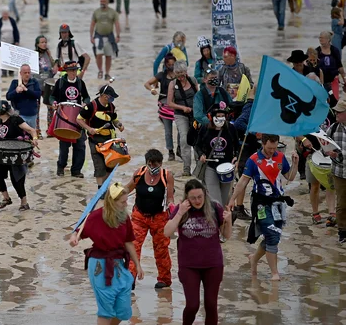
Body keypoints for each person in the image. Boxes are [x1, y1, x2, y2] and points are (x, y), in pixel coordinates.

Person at [68, 183, 143, 325]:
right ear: (111, 202)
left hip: (118, 265)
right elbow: (78, 232)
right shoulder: (95, 216)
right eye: (123, 202)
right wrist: (73, 238)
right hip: (99, 265)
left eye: (126, 200)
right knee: (106, 310)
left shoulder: (124, 217)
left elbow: (128, 242)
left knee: (124, 310)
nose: (126, 204)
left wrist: (138, 265)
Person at [229, 134, 299, 281]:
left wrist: (295, 164)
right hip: (260, 202)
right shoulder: (253, 160)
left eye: (274, 148)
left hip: (278, 203)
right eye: (268, 148)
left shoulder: (280, 157)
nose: (271, 151)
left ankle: (254, 258)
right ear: (263, 143)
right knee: (271, 234)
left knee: (274, 236)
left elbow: (290, 177)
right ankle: (275, 273)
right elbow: (242, 182)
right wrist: (232, 200)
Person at [164, 179, 231, 325]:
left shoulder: (215, 207)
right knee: (193, 305)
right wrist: (180, 212)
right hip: (188, 265)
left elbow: (226, 236)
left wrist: (229, 220)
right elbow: (167, 232)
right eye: (193, 198)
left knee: (211, 305)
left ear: (205, 194)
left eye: (200, 197)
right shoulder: (181, 209)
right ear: (187, 197)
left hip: (213, 264)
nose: (197, 200)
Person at [125, 149, 174, 289]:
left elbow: (170, 198)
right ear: (147, 163)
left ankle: (164, 279)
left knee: (161, 248)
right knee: (133, 246)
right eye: (151, 164)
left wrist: (173, 208)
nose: (154, 167)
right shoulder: (139, 174)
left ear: (161, 163)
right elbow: (128, 188)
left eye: (156, 164)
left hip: (159, 217)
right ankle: (130, 278)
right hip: (139, 216)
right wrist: (115, 195)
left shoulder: (167, 176)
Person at [0, 100, 38, 211]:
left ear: (2, 110)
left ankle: (24, 203)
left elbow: (32, 130)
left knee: (16, 178)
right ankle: (6, 198)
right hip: (1, 154)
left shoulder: (16, 120)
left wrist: (35, 139)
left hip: (16, 154)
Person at [50, 60, 90, 177]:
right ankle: (61, 166)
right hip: (64, 118)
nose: (73, 73)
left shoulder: (80, 83)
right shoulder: (60, 83)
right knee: (64, 146)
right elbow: (52, 97)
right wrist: (54, 103)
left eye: (75, 70)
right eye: (71, 71)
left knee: (80, 145)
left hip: (78, 118)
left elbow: (87, 97)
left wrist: (85, 103)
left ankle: (76, 170)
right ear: (66, 72)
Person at [79, 85, 124, 187]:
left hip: (109, 140)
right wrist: (89, 129)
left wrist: (119, 125)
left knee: (110, 164)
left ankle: (105, 186)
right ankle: (100, 188)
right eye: (110, 96)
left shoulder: (111, 106)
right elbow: (79, 119)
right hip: (95, 140)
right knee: (99, 166)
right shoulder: (91, 106)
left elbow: (114, 119)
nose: (112, 99)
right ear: (104, 96)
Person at [196, 104, 239, 207]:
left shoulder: (231, 128)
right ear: (212, 117)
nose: (220, 118)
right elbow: (197, 145)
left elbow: (237, 145)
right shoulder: (205, 128)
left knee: (225, 201)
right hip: (211, 167)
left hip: (227, 168)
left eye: (222, 116)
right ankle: (216, 220)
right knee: (216, 201)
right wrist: (201, 154)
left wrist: (236, 157)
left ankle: (225, 221)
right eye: (218, 115)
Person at [166, 61, 198, 177]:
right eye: (178, 73)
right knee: (184, 139)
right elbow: (169, 103)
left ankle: (199, 166)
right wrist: (183, 108)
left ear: (186, 71)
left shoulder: (193, 80)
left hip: (195, 114)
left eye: (182, 72)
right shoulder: (172, 84)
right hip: (180, 115)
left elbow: (198, 95)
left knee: (197, 140)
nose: (180, 75)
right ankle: (186, 168)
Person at [145, 54, 178, 161]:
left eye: (173, 64)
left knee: (181, 130)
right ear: (165, 65)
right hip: (165, 106)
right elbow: (147, 83)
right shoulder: (161, 75)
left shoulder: (180, 75)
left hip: (178, 105)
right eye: (169, 64)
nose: (171, 66)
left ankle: (180, 149)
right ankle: (170, 151)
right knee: (168, 132)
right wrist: (152, 90)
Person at [326, 98, 346, 244]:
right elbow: (325, 145)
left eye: (339, 112)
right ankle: (342, 231)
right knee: (342, 203)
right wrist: (329, 152)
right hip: (339, 171)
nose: (336, 113)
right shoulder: (333, 128)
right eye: (336, 111)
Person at [89, 0, 121, 81]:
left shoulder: (113, 12)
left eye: (103, 1)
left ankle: (107, 73)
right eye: (101, 1)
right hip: (98, 36)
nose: (102, 3)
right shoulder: (96, 12)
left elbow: (117, 24)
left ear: (108, 2)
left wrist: (118, 35)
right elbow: (92, 24)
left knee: (108, 56)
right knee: (98, 55)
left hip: (109, 37)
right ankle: (100, 70)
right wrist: (91, 36)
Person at [6, 64, 41, 130]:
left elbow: (38, 95)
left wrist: (26, 90)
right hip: (19, 115)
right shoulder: (15, 83)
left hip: (32, 115)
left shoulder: (34, 82)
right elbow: (8, 96)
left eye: (28, 72)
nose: (27, 74)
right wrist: (15, 91)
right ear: (20, 73)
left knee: (31, 135)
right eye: (25, 73)